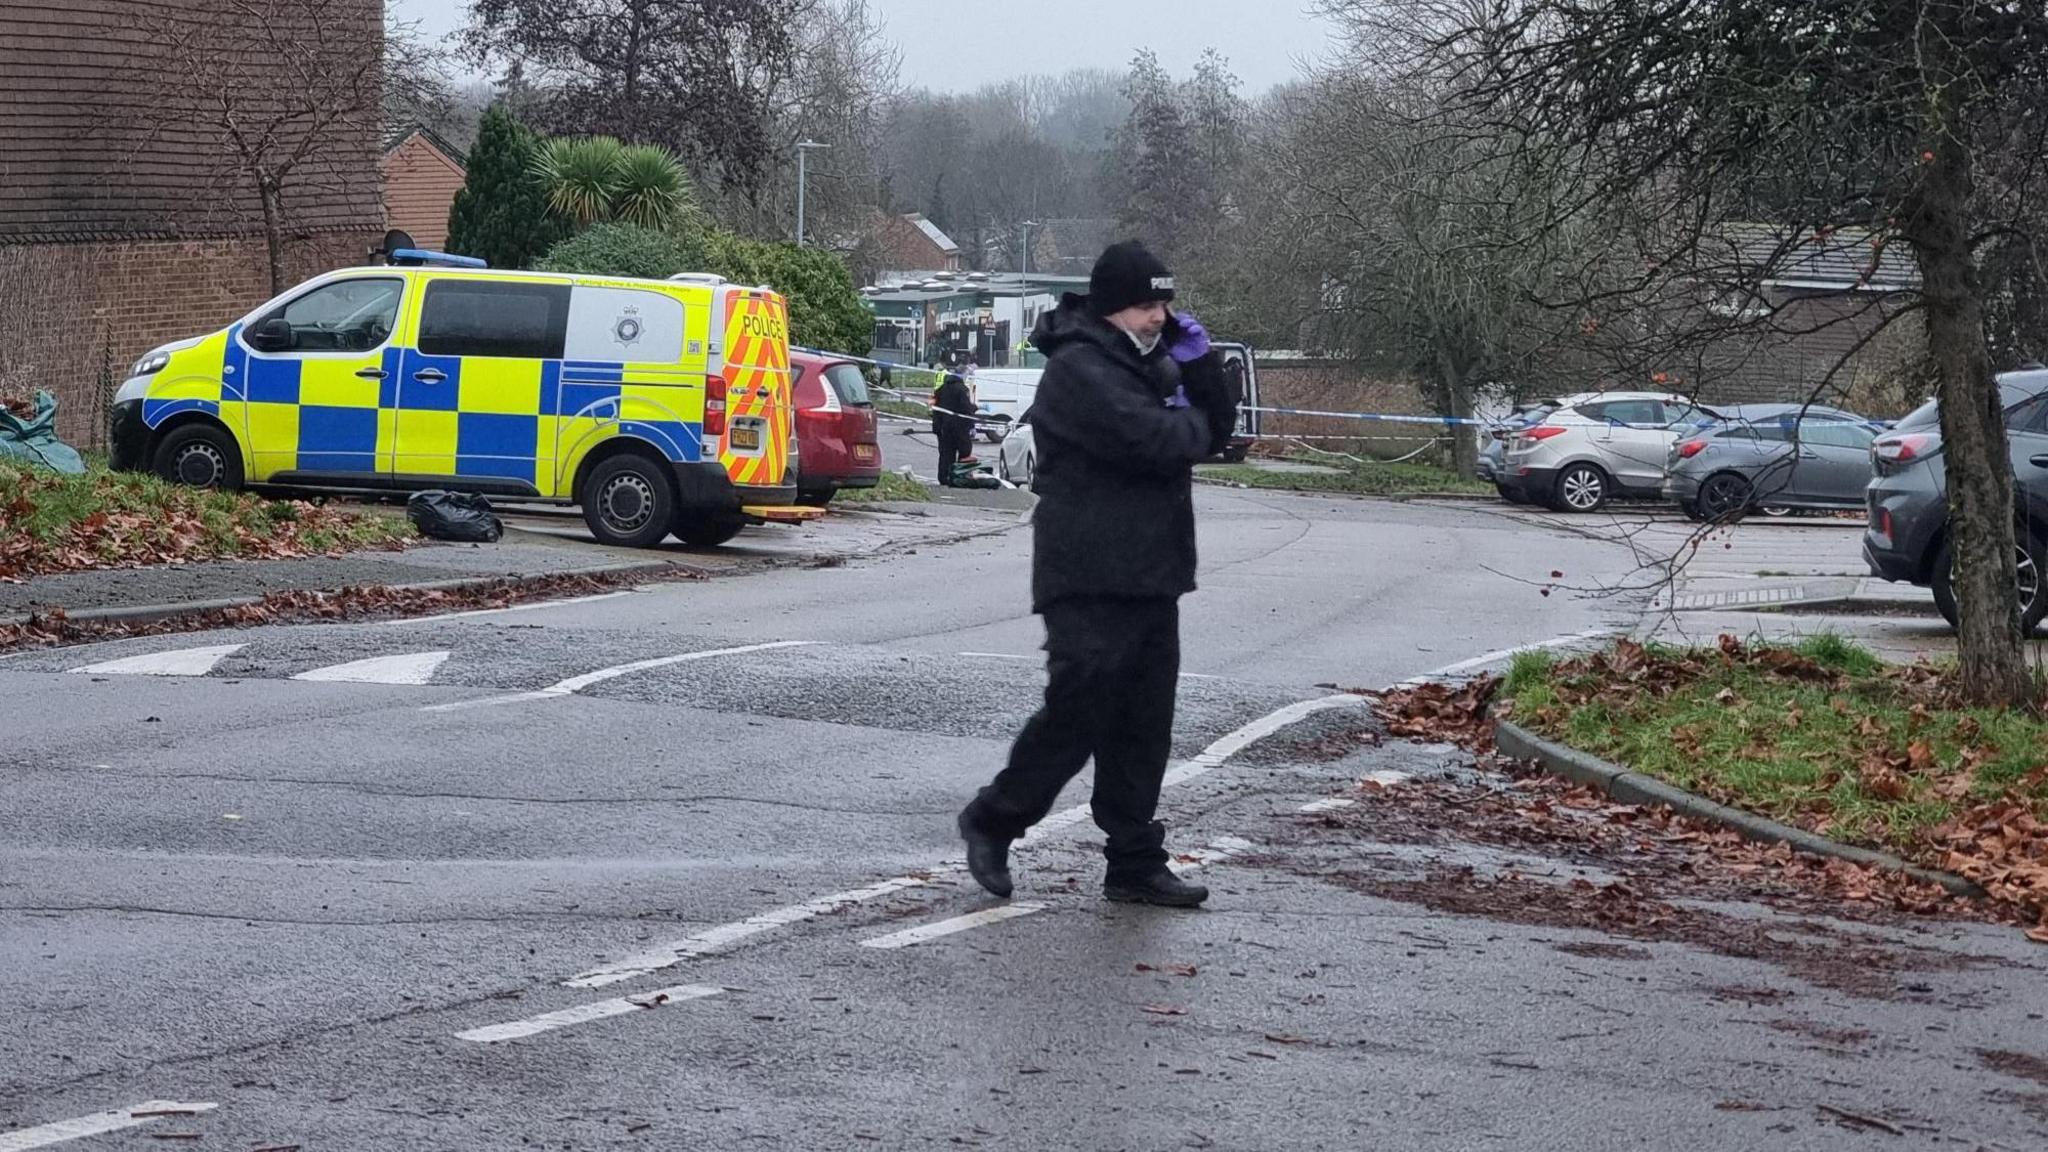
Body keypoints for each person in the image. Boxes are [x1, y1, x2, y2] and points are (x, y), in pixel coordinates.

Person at [954, 240, 1238, 907]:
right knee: (1079, 711)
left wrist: (1202, 373)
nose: (1159, 317)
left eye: (1164, 302)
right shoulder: (1081, 370)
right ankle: (994, 818)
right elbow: (1158, 443)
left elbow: (1214, 431)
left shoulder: (1143, 364)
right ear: (1111, 307)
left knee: (1144, 723)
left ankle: (1135, 862)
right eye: (1146, 304)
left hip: (1151, 572)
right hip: (1086, 572)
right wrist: (1186, 414)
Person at [931, 371, 979, 486]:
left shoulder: (939, 390)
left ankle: (943, 477)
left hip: (943, 428)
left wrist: (936, 427)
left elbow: (934, 408)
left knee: (946, 454)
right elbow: (966, 408)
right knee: (965, 451)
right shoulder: (962, 389)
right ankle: (960, 475)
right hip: (960, 427)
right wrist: (974, 411)